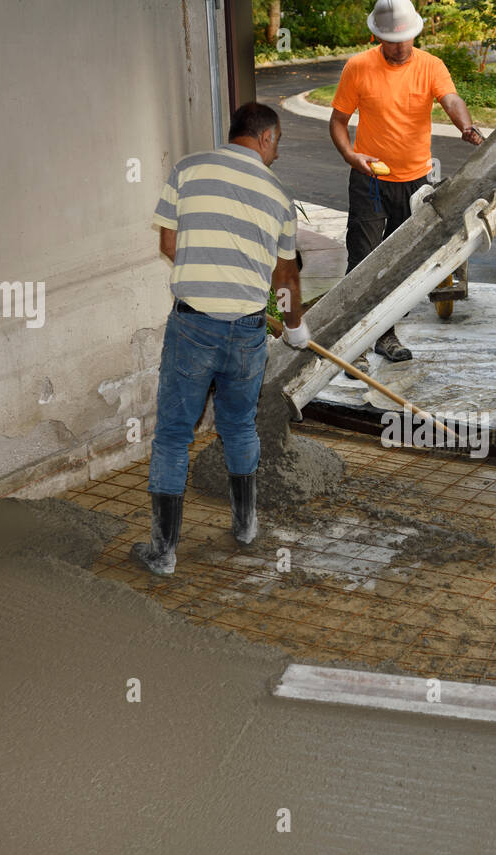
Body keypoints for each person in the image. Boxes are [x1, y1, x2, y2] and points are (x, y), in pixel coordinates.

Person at [134, 102, 310, 575]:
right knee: (238, 426)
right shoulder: (278, 194)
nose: (276, 153)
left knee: (173, 434)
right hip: (249, 330)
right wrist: (294, 326)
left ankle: (164, 552)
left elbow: (169, 245)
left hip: (193, 324)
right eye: (278, 144)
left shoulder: (188, 171)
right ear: (267, 138)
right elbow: (286, 277)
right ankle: (245, 526)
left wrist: (206, 272)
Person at [328, 0, 483, 365]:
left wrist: (465, 125)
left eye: (405, 39)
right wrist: (351, 155)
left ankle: (385, 335)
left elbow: (451, 98)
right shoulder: (358, 67)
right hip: (370, 179)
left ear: (416, 32)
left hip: (415, 181)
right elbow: (337, 121)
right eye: (390, 41)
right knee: (363, 261)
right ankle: (355, 346)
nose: (399, 47)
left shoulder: (431, 65)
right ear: (376, 36)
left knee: (400, 263)